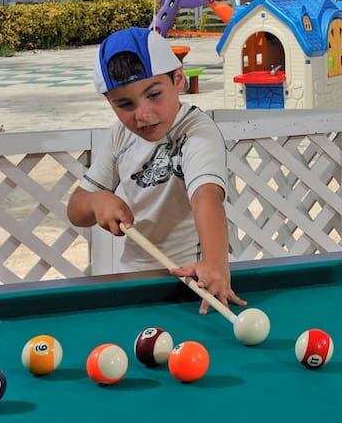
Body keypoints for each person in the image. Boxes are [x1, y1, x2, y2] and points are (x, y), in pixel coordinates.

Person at [66, 26, 245, 314]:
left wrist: (214, 263)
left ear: (178, 79)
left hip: (195, 281)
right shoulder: (119, 136)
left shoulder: (197, 132)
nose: (142, 114)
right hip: (135, 281)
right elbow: (76, 209)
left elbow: (206, 196)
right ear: (109, 103)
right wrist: (97, 201)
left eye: (154, 95)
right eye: (125, 104)